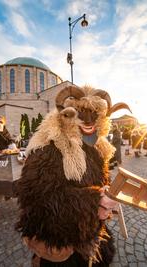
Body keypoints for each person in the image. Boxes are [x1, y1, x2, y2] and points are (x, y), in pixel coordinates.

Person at [15, 85, 131, 266]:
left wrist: (105, 196)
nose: (89, 120)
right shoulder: (48, 149)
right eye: (81, 113)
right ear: (68, 115)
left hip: (90, 234)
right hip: (61, 241)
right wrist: (95, 199)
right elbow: (38, 199)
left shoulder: (96, 149)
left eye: (94, 114)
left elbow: (99, 182)